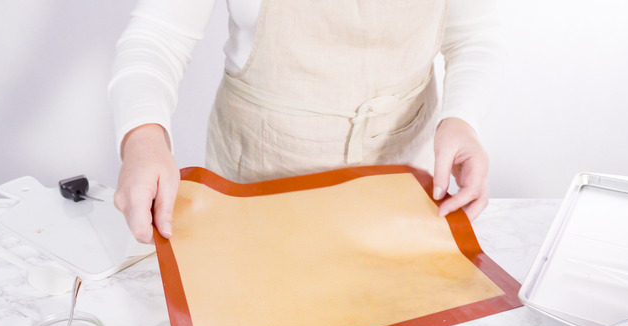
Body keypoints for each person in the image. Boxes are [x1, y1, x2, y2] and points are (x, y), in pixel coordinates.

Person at [109, 0, 504, 244]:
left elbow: (473, 36)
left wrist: (462, 120)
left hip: (402, 180)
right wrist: (143, 138)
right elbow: (158, 36)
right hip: (259, 181)